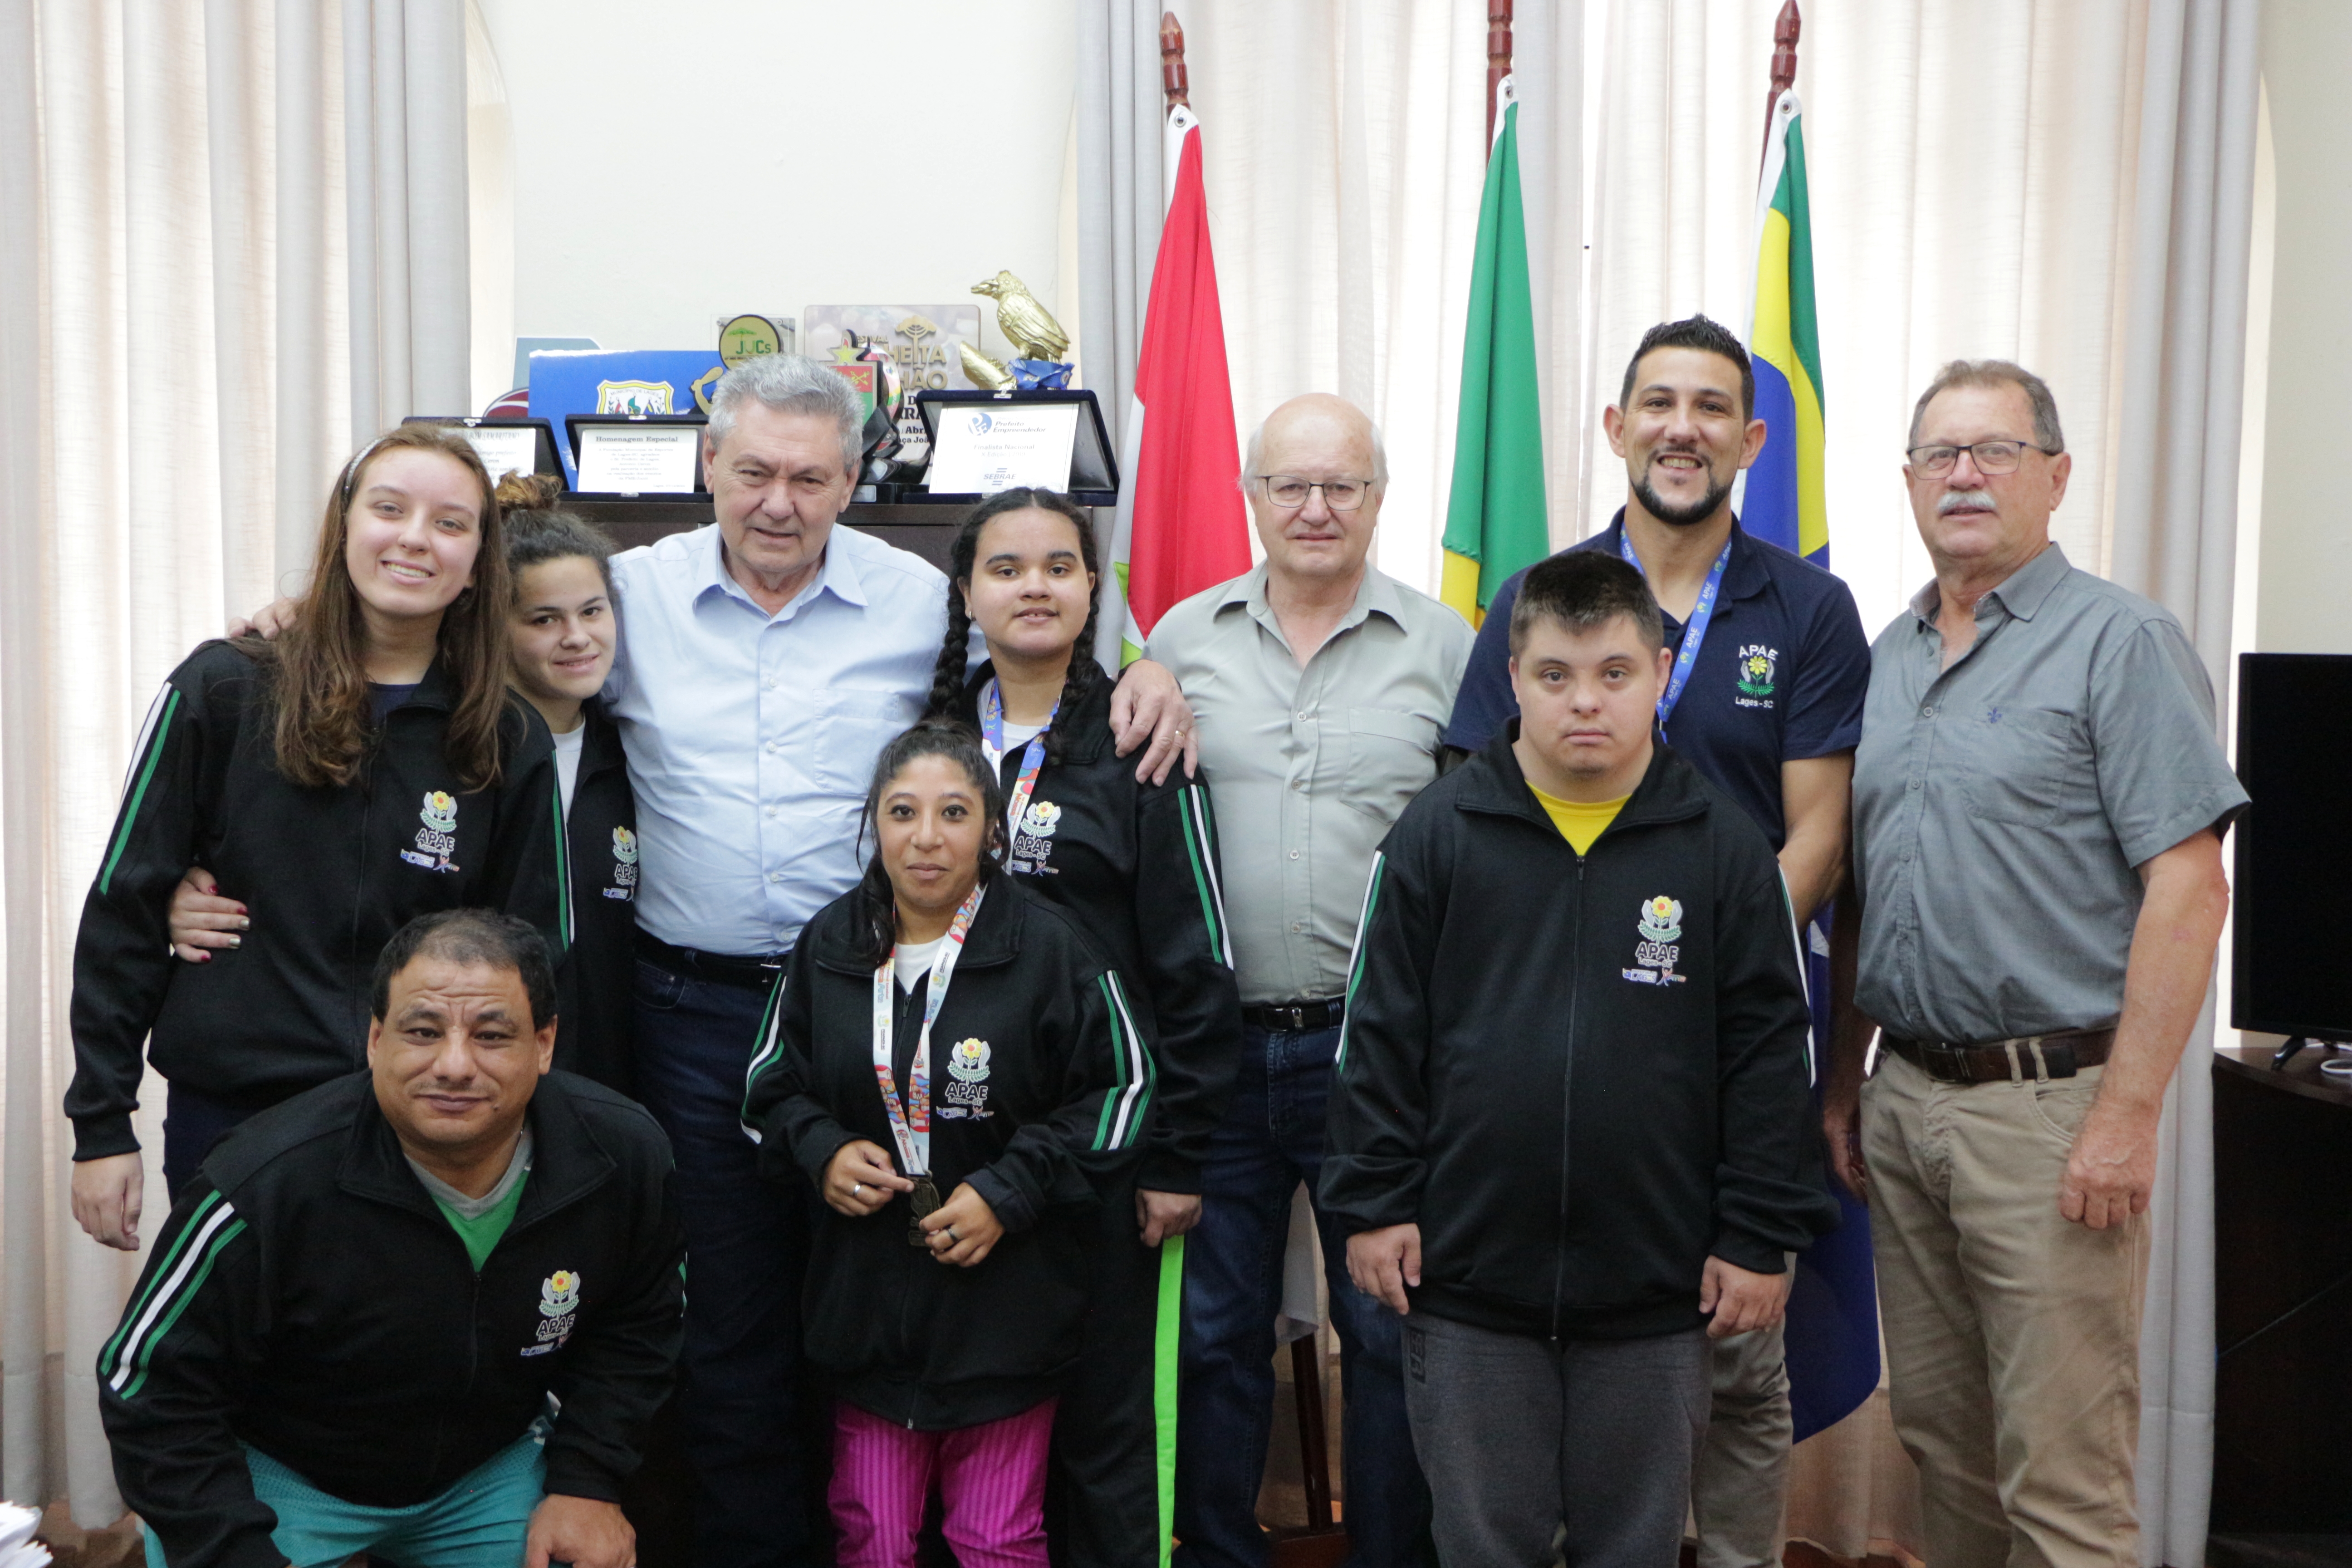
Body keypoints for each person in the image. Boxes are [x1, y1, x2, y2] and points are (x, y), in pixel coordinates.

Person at [601, 354, 1192, 1567]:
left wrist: (1157, 676)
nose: (779, 502)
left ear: (855, 480)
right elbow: (474, 654)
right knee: (734, 1332)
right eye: (754, 470)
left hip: (888, 1012)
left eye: (811, 477)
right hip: (701, 1016)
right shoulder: (624, 596)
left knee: (915, 1312)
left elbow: (1048, 646)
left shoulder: (919, 595)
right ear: (708, 464)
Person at [1444, 314, 1871, 1566]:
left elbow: (1822, 836)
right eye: (1657, 402)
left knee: (1739, 1345)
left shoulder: (1809, 607)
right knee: (1573, 1332)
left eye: (1709, 408)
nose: (1681, 428)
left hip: (1736, 1026)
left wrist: (1695, 970)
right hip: (1559, 1029)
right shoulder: (1541, 599)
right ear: (1617, 425)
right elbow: (1480, 818)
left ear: (1750, 438)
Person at [1323, 550, 1840, 1567]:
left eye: (1613, 673)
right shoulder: (1436, 837)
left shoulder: (1726, 853)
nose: (1585, 703)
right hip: (1468, 1283)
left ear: (1660, 670)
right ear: (1513, 680)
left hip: (1657, 1289)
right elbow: (1377, 1035)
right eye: (1555, 675)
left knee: (1632, 1550)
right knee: (1484, 1547)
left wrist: (1756, 1232)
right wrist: (1375, 1202)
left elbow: (1772, 1055)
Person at [1823, 361, 2243, 1568]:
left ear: (2055, 477)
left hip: (2051, 1115)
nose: (1965, 475)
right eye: (1941, 455)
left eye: (1995, 451)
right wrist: (1849, 1084)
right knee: (1946, 1459)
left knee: (2063, 1486)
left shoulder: (2122, 642)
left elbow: (2190, 884)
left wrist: (2126, 1117)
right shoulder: (1892, 655)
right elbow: (1868, 884)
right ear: (1907, 483)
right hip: (1906, 1108)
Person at [66, 425, 568, 1253]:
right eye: (389, 509)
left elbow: (538, 955)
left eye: (450, 523)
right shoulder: (224, 688)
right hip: (232, 1116)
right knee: (227, 1371)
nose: (414, 538)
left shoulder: (507, 738)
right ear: (344, 528)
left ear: (479, 561)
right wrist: (101, 1125)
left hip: (430, 1128)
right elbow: (125, 906)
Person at [99, 908, 684, 1568]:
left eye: (493, 1036)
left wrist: (588, 1481)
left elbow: (641, 1327)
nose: (455, 1065)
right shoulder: (262, 1181)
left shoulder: (623, 1156)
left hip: (485, 1472)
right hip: (282, 1478)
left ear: (545, 1044)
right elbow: (148, 1384)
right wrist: (228, 1548)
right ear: (376, 1039)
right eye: (423, 1032)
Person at [1147, 393, 1468, 1568]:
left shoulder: (1448, 647)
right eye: (1291, 484)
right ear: (1252, 497)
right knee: (1217, 1334)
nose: (1317, 507)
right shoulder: (1177, 639)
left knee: (1390, 1333)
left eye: (1344, 485)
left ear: (1380, 499)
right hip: (1216, 1054)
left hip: (1375, 1053)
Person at [921, 488, 1242, 1566]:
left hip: (1108, 1153)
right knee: (974, 1428)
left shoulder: (1140, 741)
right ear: (967, 592)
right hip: (960, 1149)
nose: (1035, 587)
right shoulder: (930, 747)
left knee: (1108, 1427)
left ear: (1093, 586)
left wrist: (1179, 1151)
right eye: (1006, 568)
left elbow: (1196, 963)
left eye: (1059, 565)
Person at [741, 723, 1143, 1568]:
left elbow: (1124, 1094)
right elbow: (767, 1089)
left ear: (993, 831)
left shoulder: (1052, 948)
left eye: (954, 812)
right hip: (866, 1316)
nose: (927, 838)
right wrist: (821, 1150)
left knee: (993, 1540)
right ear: (873, 826)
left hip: (1006, 1319)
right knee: (874, 1539)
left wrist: (1011, 1190)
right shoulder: (829, 946)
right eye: (903, 812)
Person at [171, 472, 639, 1093]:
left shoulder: (638, 746)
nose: (576, 636)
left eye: (592, 611)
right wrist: (169, 899)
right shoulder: (439, 741)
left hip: (593, 1077)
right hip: (427, 1078)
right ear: (488, 619)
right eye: (543, 618)